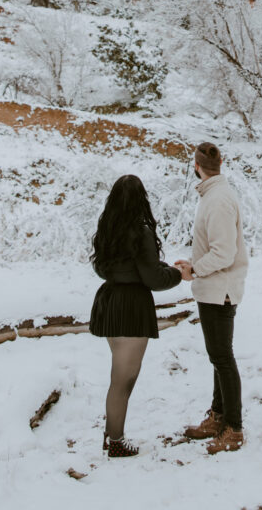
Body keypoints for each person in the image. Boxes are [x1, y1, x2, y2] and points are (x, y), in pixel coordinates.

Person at [90, 174, 182, 458]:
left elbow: (105, 268)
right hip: (131, 307)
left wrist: (157, 268)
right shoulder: (140, 231)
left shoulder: (108, 227)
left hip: (110, 300)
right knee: (123, 379)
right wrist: (179, 274)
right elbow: (153, 278)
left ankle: (112, 434)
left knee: (119, 375)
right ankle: (115, 441)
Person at [175, 141, 248, 454]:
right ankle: (219, 417)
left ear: (196, 166)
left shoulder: (217, 200)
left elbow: (224, 252)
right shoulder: (214, 195)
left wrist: (195, 270)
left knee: (222, 358)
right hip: (215, 289)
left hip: (220, 290)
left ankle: (233, 427)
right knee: (218, 357)